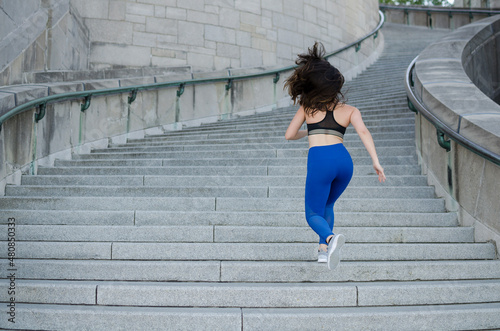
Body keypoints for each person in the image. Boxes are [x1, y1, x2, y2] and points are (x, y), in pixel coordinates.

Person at [284, 42, 386, 270]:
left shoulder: (306, 107)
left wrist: (310, 132)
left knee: (312, 214)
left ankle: (330, 239)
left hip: (321, 159)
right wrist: (376, 161)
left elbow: (289, 135)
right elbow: (363, 132)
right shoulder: (350, 110)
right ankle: (323, 252)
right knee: (328, 204)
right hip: (344, 161)